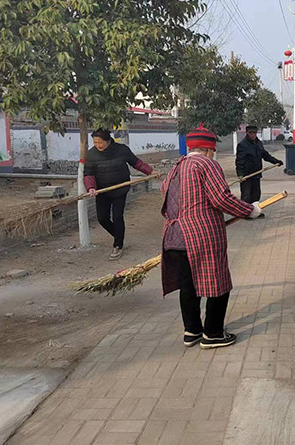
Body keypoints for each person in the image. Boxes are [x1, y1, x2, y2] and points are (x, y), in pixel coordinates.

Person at [161, 126, 262, 349]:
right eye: (213, 149)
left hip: (175, 235)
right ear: (209, 149)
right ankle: (213, 334)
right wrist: (250, 210)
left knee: (188, 285)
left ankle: (192, 331)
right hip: (201, 235)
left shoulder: (177, 166)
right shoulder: (206, 164)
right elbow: (221, 198)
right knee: (217, 282)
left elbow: (165, 194)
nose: (213, 153)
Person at [83, 128, 153, 260]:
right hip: (102, 191)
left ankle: (117, 245)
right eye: (95, 142)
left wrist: (150, 171)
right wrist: (91, 187)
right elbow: (88, 174)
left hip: (120, 189)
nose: (97, 145)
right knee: (102, 218)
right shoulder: (91, 155)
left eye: (100, 142)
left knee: (117, 216)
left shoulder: (122, 150)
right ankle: (119, 235)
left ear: (108, 141)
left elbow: (136, 163)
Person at [236, 125, 283, 215]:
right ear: (247, 133)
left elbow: (265, 155)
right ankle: (245, 213)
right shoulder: (242, 145)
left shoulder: (258, 143)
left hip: (256, 174)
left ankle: (255, 212)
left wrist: (276, 161)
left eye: (254, 133)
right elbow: (239, 161)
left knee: (256, 195)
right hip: (247, 175)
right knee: (246, 196)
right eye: (250, 133)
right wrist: (240, 175)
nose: (253, 135)